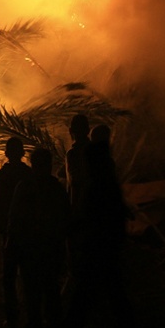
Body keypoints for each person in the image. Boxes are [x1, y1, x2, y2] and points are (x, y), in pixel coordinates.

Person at [61, 132, 135, 328]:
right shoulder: (107, 184)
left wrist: (68, 230)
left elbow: (88, 217)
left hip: (97, 249)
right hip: (106, 248)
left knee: (85, 294)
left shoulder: (97, 187)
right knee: (111, 293)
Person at [7, 148, 69, 328]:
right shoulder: (55, 187)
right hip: (47, 246)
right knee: (49, 288)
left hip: (32, 247)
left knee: (34, 289)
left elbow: (15, 218)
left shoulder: (26, 186)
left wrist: (12, 244)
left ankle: (37, 327)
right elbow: (65, 217)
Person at [0, 137, 31, 328]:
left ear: (6, 153)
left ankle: (13, 317)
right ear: (22, 153)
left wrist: (3, 230)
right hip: (27, 232)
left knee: (9, 276)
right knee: (29, 276)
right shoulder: (30, 175)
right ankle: (32, 317)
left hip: (10, 233)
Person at [64, 114, 91, 284]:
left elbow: (75, 180)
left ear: (70, 131)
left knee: (77, 254)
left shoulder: (73, 154)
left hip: (79, 210)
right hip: (95, 209)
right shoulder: (98, 152)